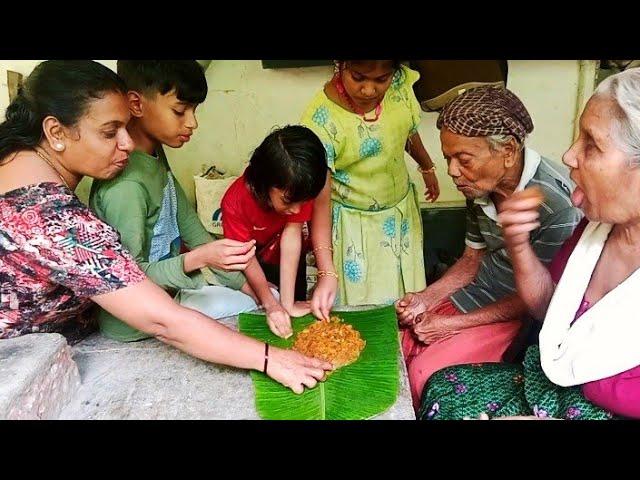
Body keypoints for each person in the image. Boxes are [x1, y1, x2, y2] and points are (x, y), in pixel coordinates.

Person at [0, 60, 332, 394]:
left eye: (126, 129)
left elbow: (194, 234)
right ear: (56, 132)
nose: (127, 144)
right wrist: (270, 358)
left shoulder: (21, 171)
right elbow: (164, 320)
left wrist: (266, 298)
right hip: (24, 378)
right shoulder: (53, 217)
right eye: (109, 132)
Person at [420, 68, 640, 420]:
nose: (569, 155)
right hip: (549, 382)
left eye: (591, 144)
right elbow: (547, 309)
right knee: (440, 387)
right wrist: (518, 244)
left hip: (591, 409)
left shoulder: (558, 205)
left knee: (424, 372)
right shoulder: (593, 231)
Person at [396, 85, 582, 409]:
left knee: (424, 374)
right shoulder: (480, 185)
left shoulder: (559, 206)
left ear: (508, 150)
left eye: (463, 159)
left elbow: (536, 302)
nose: (452, 171)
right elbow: (471, 259)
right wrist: (425, 299)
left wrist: (449, 325)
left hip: (519, 320)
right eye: (448, 158)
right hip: (473, 297)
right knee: (399, 343)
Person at [301, 60, 439, 306]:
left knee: (408, 305)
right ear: (340, 64)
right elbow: (320, 208)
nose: (369, 90)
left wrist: (427, 167)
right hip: (355, 230)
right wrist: (326, 272)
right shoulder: (320, 122)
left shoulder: (400, 85)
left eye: (381, 79)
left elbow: (405, 128)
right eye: (358, 77)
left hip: (400, 217)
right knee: (363, 312)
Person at [221, 125, 328, 339]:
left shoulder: (298, 187)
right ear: (265, 183)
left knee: (292, 316)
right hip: (253, 263)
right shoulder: (234, 203)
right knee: (264, 317)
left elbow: (292, 235)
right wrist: (270, 303)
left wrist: (287, 303)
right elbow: (246, 258)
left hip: (289, 259)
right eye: (288, 201)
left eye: (303, 202)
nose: (297, 209)